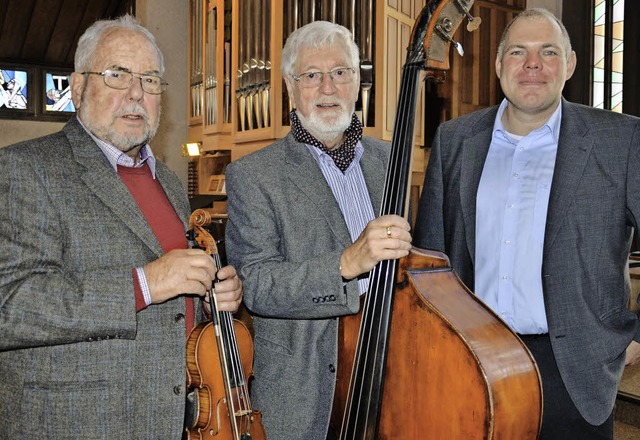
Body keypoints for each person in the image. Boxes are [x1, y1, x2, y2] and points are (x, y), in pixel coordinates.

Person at [0, 15, 242, 439]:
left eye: (150, 80)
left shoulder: (167, 180)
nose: (136, 93)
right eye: (117, 75)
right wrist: (144, 284)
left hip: (172, 418)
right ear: (77, 88)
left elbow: (174, 298)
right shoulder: (23, 168)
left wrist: (211, 296)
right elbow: (10, 306)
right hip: (79, 423)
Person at [414, 8, 640, 439]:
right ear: (499, 65)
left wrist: (637, 335)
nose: (532, 64)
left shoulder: (622, 140)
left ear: (570, 65)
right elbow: (432, 262)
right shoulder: (455, 141)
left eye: (548, 52)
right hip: (472, 361)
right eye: (518, 52)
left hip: (576, 369)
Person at [224, 21, 412, 440]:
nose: (328, 88)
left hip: (395, 379)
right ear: (291, 88)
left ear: (358, 82)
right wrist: (346, 264)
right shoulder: (253, 175)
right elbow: (256, 284)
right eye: (312, 75)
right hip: (304, 395)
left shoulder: (391, 163)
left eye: (341, 72)